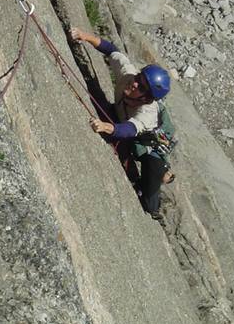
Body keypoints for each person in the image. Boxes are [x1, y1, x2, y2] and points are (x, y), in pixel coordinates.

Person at [70, 27, 174, 216]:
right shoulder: (128, 75)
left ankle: (161, 181)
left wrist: (105, 127)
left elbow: (128, 130)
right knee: (125, 148)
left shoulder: (146, 112)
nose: (134, 83)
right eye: (138, 78)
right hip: (128, 121)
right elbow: (111, 50)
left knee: (151, 177)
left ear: (147, 98)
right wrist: (84, 36)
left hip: (151, 138)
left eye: (141, 86)